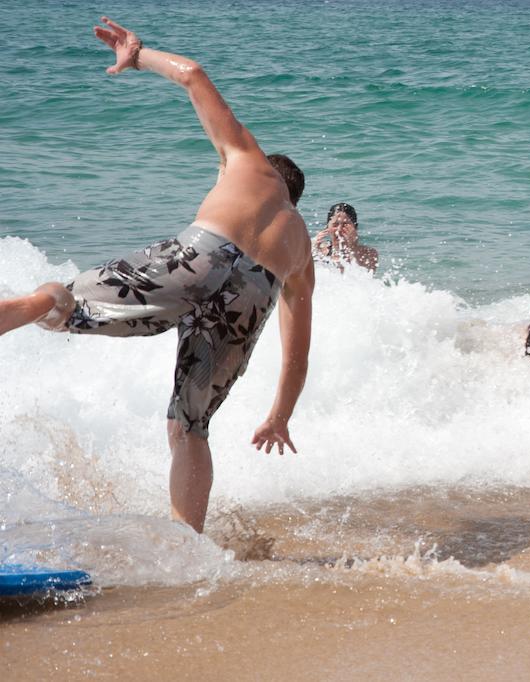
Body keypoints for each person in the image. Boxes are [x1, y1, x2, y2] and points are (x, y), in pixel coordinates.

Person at [0, 18, 315, 534]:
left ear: (269, 171)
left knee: (65, 304)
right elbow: (297, 356)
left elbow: (191, 74)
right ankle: (186, 547)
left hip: (202, 255)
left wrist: (137, 52)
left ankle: (38, 306)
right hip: (256, 295)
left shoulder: (248, 162)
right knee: (190, 427)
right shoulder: (302, 251)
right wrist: (280, 415)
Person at [314, 202, 378, 273]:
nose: (339, 229)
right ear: (327, 226)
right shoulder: (320, 251)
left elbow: (365, 278)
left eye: (345, 225)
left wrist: (353, 247)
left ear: (355, 227)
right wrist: (314, 249)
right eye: (335, 224)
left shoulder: (368, 253)